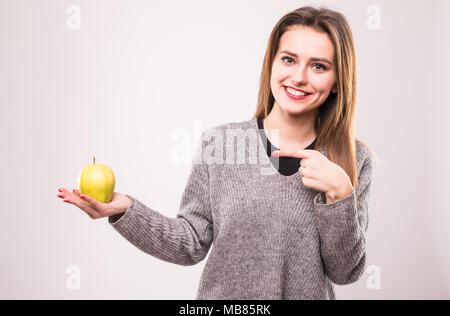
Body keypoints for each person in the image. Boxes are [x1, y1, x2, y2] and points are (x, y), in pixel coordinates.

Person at [57, 6, 377, 299]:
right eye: (289, 59)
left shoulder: (354, 159)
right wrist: (125, 209)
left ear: (337, 81)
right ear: (272, 63)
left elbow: (345, 272)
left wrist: (340, 195)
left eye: (318, 66)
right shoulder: (220, 144)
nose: (299, 77)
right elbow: (190, 243)